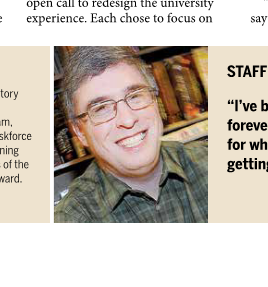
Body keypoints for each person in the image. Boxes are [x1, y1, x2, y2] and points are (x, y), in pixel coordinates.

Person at [54, 47, 208, 223]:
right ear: (80, 132)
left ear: (156, 101)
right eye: (101, 108)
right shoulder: (70, 220)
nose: (127, 120)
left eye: (135, 96)